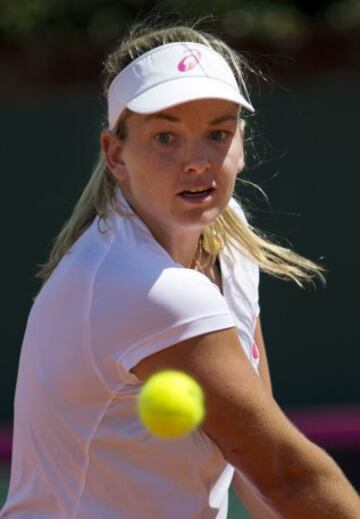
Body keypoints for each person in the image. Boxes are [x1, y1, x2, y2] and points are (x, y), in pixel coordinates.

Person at [1, 22, 359, 519]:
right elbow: (287, 475)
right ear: (115, 154)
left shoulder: (227, 241)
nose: (196, 161)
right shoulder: (142, 288)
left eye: (217, 133)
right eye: (165, 136)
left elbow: (260, 469)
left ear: (242, 145)